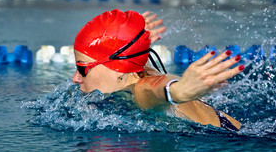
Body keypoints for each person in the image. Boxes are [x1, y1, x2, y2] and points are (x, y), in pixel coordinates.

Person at [72, 9, 244, 131]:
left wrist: (176, 91)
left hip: (240, 141)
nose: (75, 78)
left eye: (82, 68)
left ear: (118, 70)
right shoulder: (135, 69)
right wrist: (135, 38)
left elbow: (154, 89)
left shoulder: (137, 91)